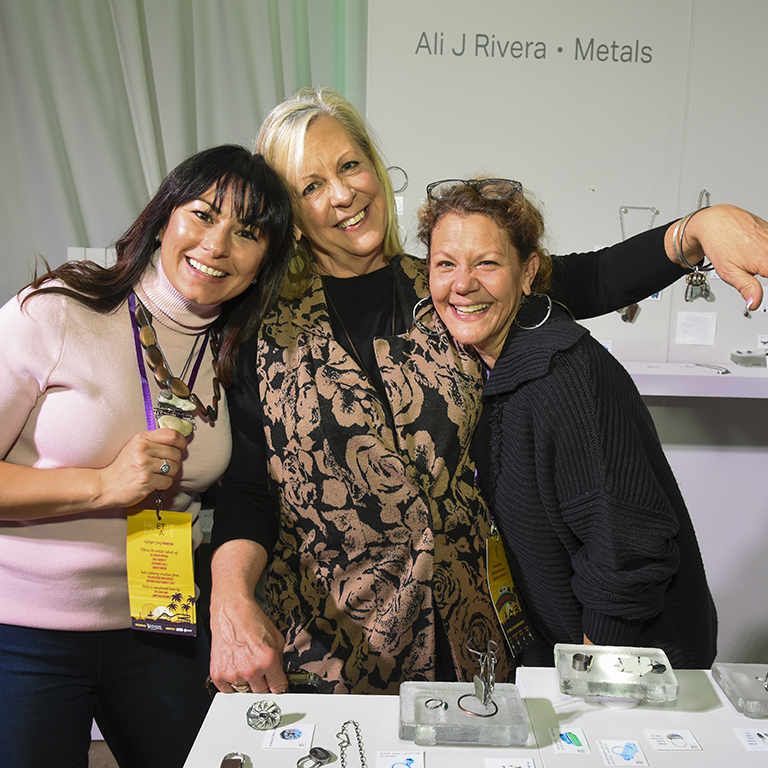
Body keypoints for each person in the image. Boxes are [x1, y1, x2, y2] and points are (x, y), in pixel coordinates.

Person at [208, 86, 768, 696]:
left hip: (474, 639)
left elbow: (596, 276)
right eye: (310, 185)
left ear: (373, 166)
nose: (342, 193)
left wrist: (698, 230)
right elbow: (247, 490)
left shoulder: (449, 286)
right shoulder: (259, 331)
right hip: (328, 645)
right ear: (289, 210)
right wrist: (229, 596)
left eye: (349, 165)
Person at [0, 145, 293, 768]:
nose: (218, 245)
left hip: (160, 621)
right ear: (164, 218)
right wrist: (101, 486)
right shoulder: (54, 312)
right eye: (204, 214)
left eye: (246, 232)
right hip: (23, 633)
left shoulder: (237, 354)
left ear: (264, 259)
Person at [419, 178, 717, 669]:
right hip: (564, 650)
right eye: (445, 264)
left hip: (630, 664)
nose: (462, 283)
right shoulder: (488, 366)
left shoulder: (563, 376)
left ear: (528, 271)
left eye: (487, 263)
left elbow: (626, 551)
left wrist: (589, 668)